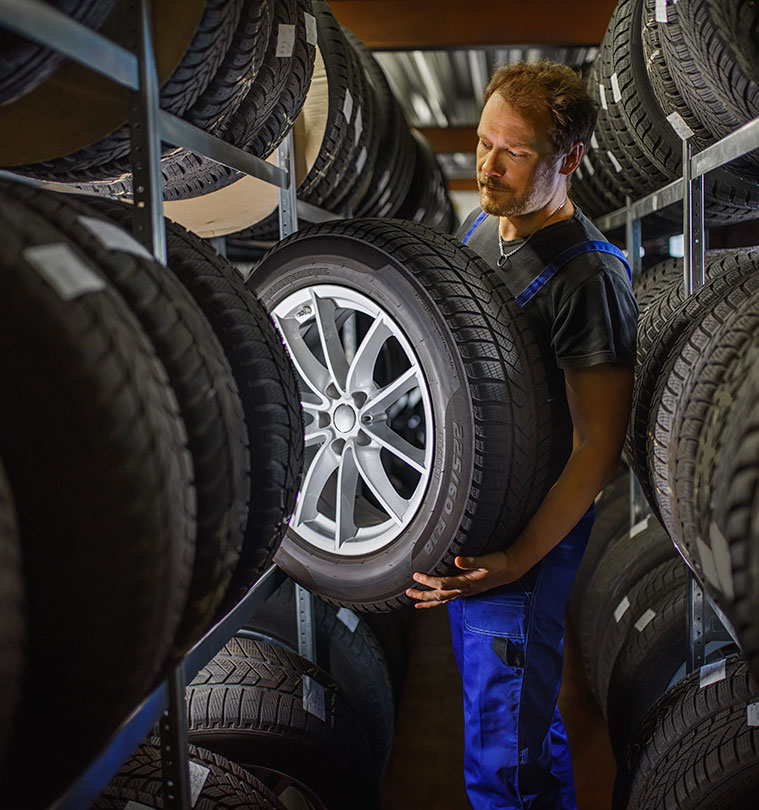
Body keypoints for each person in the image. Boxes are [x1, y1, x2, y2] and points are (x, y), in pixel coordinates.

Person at [406, 61, 638, 809]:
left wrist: (514, 561)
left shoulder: (590, 280)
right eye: (481, 143)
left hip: (525, 547)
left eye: (514, 152)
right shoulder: (478, 225)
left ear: (567, 159)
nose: (486, 165)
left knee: (505, 758)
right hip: (475, 523)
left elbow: (596, 447)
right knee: (512, 725)